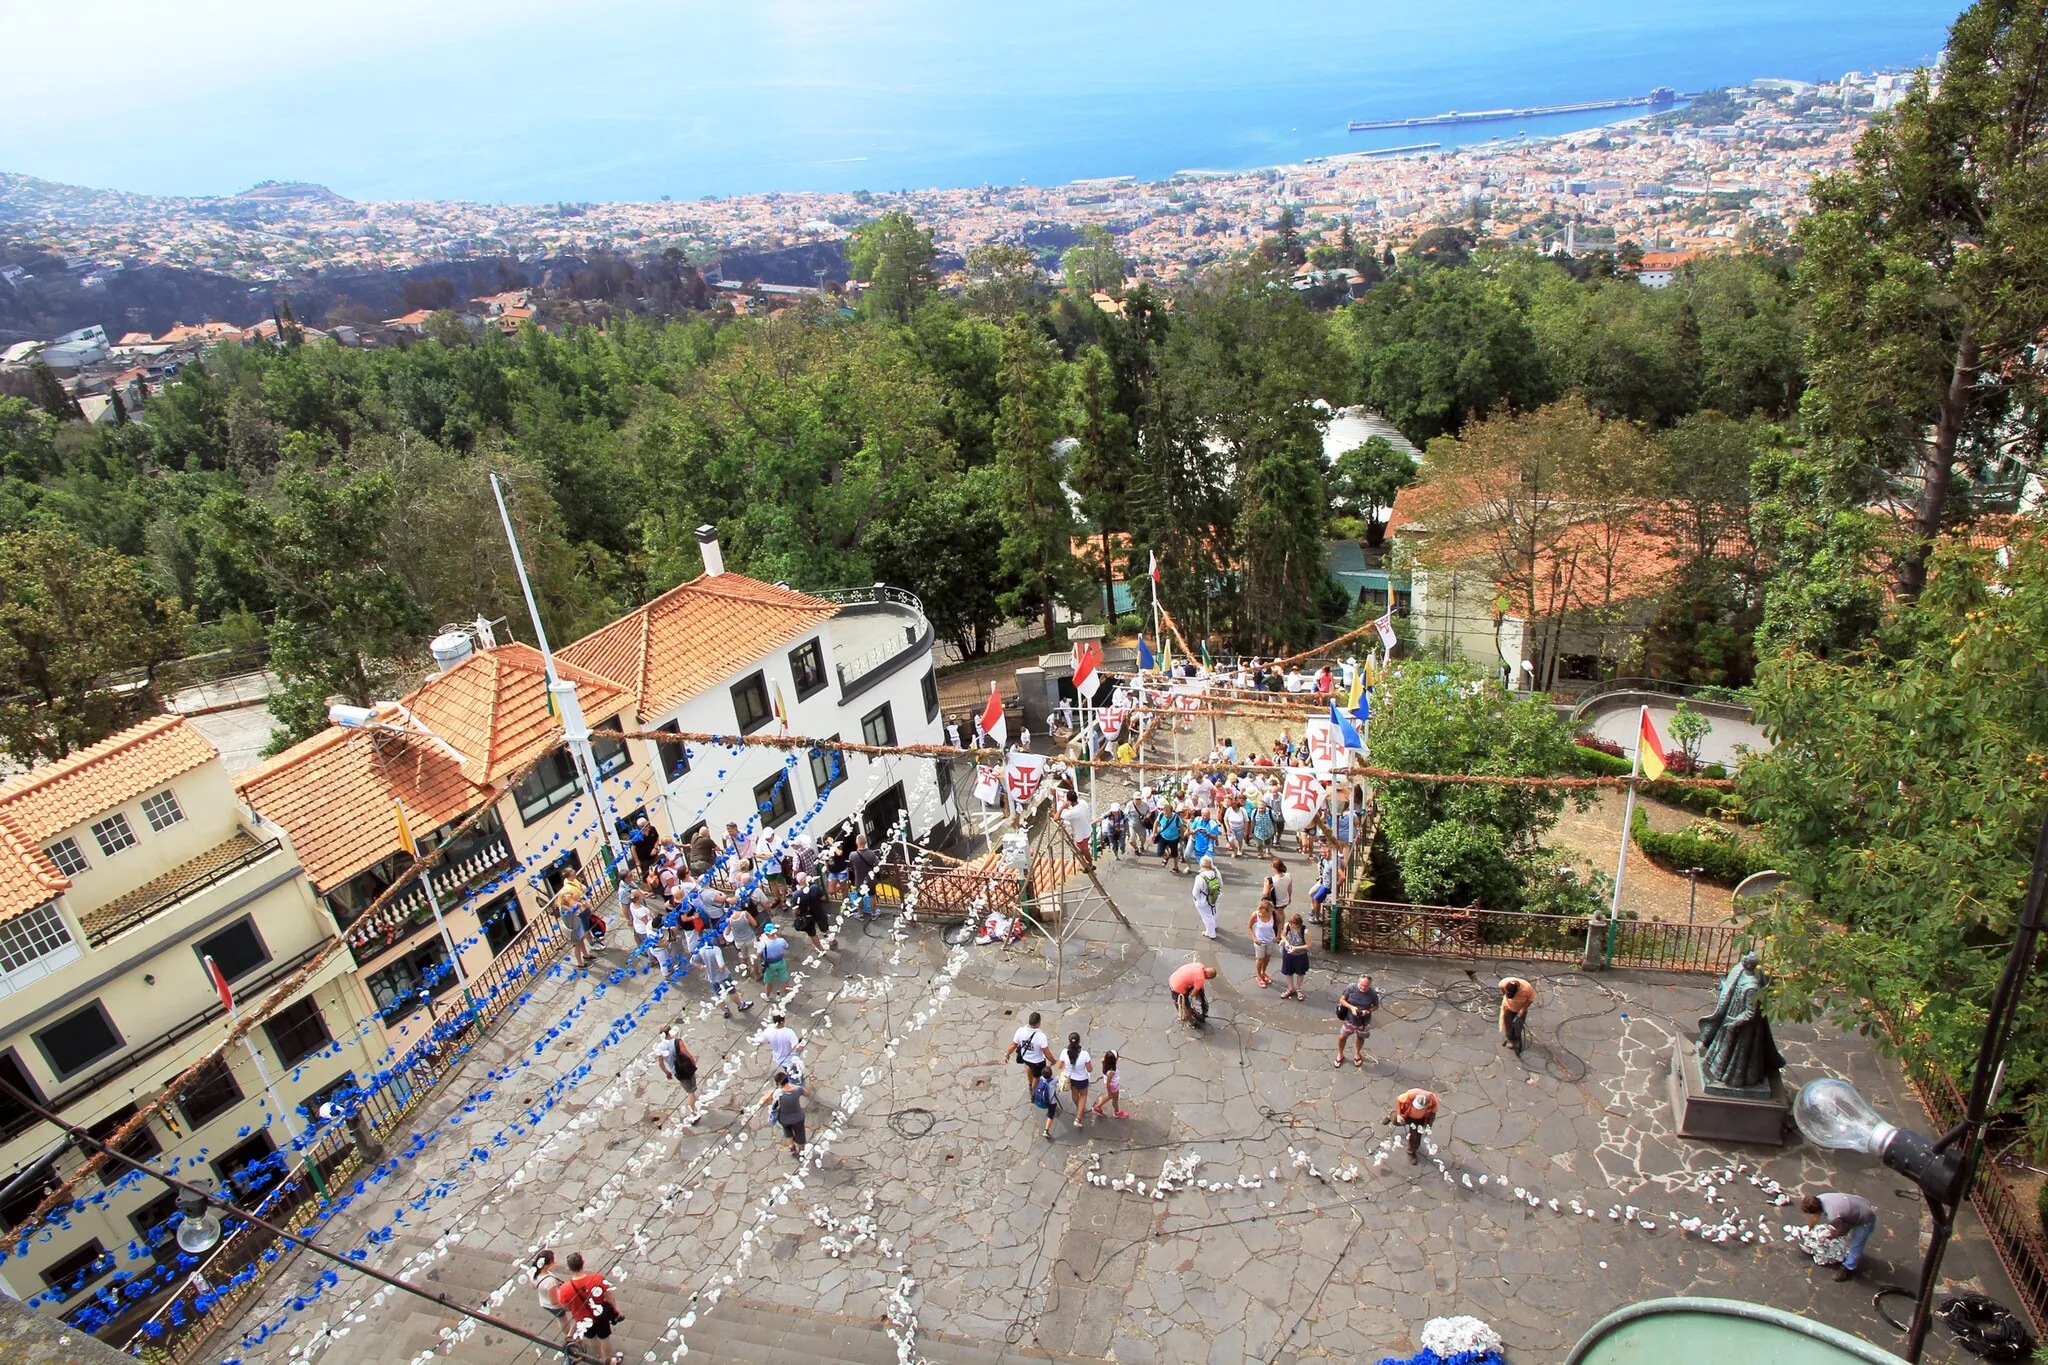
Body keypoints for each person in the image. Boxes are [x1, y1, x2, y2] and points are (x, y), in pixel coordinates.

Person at [554, 1252, 624, 1364]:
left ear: (569, 1268)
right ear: (583, 1263)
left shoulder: (564, 1289)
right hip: (600, 1315)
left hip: (582, 1320)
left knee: (592, 1338)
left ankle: (600, 1358)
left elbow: (565, 1308)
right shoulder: (597, 1278)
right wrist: (616, 1309)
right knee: (605, 1338)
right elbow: (609, 1296)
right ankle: (609, 1360)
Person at [1802, 1192, 1877, 1282]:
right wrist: (1808, 1228)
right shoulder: (1819, 1198)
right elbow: (1815, 1217)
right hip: (1858, 1203)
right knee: (1845, 1226)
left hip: (1865, 1219)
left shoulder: (1833, 1216)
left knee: (1856, 1245)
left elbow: (1843, 1231)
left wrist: (1831, 1235)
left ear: (1817, 1210)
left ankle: (1849, 1267)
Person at [693, 938, 751, 1018]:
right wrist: (720, 967)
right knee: (732, 991)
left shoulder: (701, 950)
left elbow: (693, 961)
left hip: (711, 977)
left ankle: (725, 1011)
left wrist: (704, 967)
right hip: (723, 976)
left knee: (717, 995)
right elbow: (721, 965)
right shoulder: (716, 950)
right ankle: (741, 1005)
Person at [654, 1026, 700, 1122]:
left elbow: (661, 1063)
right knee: (690, 1091)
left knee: (689, 1089)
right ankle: (693, 1113)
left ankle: (693, 1104)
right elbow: (688, 1054)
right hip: (686, 1069)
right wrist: (693, 1064)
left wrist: (667, 1072)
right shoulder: (677, 1042)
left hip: (676, 1072)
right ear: (670, 1032)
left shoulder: (659, 1047)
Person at [1384, 1087, 1439, 1164]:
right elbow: (1399, 1100)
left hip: (1419, 1120)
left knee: (1415, 1139)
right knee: (1395, 1120)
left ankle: (1411, 1152)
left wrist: (1428, 1127)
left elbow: (1433, 1114)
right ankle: (1390, 1116)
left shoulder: (1433, 1102)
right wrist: (1399, 1114)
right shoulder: (1411, 1094)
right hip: (1406, 1114)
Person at [1005, 1011, 1052, 1101]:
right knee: (1036, 1077)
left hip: (1025, 1057)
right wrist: (1053, 1061)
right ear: (1039, 1023)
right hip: (1037, 1061)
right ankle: (1033, 1093)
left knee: (1028, 1067)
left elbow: (1013, 1045)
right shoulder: (1041, 1036)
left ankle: (1030, 1085)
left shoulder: (1020, 1031)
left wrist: (1007, 1054)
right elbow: (1046, 1052)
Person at [1336, 974, 1380, 1067]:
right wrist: (1351, 1007)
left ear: (1370, 985)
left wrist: (1368, 1011)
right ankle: (1340, 1054)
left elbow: (1376, 1006)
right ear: (1358, 983)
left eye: (1366, 986)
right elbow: (1342, 1000)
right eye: (1361, 985)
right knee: (1342, 1037)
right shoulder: (1351, 988)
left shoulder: (1372, 994)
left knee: (1360, 1037)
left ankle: (1357, 1053)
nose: (1363, 988)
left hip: (1363, 1021)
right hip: (1350, 1019)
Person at [764, 1070, 808, 1159]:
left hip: (783, 1119)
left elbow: (766, 1100)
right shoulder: (797, 1089)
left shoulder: (778, 1093)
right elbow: (806, 1093)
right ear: (788, 1079)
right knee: (800, 1133)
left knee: (787, 1130)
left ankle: (792, 1148)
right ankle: (801, 1149)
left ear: (779, 1084)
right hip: (798, 1118)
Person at [1060, 1033, 1093, 1129]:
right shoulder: (1084, 1054)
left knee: (1074, 1093)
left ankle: (1079, 1108)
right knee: (1083, 1095)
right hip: (1082, 1079)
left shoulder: (1064, 1052)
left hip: (1070, 1079)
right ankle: (1078, 1118)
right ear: (1079, 1041)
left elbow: (1059, 1066)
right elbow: (1090, 1069)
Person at [845, 835, 881, 921]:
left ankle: (861, 914)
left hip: (859, 880)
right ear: (865, 843)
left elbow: (850, 864)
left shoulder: (852, 855)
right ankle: (873, 914)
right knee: (872, 896)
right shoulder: (871, 854)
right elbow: (876, 866)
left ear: (857, 843)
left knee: (859, 896)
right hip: (870, 880)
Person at [531, 1248, 568, 1332]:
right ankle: (569, 1336)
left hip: (543, 1301)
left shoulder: (533, 1272)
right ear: (546, 1265)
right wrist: (566, 1302)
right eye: (552, 1261)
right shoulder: (549, 1281)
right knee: (563, 1320)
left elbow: (533, 1286)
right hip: (554, 1306)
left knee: (560, 1319)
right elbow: (554, 1301)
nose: (554, 1263)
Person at [759, 1012, 802, 1082]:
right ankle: (796, 1083)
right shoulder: (789, 1032)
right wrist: (802, 1044)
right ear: (784, 1019)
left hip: (779, 1057)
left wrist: (770, 1041)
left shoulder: (768, 1031)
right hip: (790, 1059)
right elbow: (797, 1048)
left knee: (787, 1069)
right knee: (794, 1074)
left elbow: (760, 1042)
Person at [1499, 977, 1537, 1055]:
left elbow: (1531, 999)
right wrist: (1505, 996)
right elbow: (1501, 988)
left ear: (1518, 990)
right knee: (1508, 1025)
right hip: (1507, 1007)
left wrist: (1523, 1009)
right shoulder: (1503, 983)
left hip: (1520, 1009)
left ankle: (1516, 1040)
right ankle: (1509, 1039)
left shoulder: (1527, 988)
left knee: (1518, 1027)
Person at [1248, 899, 1280, 988]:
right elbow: (1249, 927)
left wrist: (1277, 936)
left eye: (1263, 913)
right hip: (1260, 941)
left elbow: (1279, 924)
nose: (1261, 914)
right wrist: (1254, 938)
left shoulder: (1273, 914)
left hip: (1270, 940)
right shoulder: (1255, 915)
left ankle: (1263, 972)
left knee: (1267, 957)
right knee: (1260, 959)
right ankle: (1259, 976)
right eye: (1260, 912)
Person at [1278, 912, 1310, 999]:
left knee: (1300, 972)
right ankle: (1290, 988)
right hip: (1288, 953)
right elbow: (1283, 935)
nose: (1291, 925)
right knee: (1288, 971)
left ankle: (1298, 989)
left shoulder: (1304, 931)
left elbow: (1308, 945)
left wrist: (1296, 948)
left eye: (1293, 924)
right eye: (1290, 923)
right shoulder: (1287, 926)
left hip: (1300, 955)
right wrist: (1287, 942)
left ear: (1298, 924)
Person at [757, 922, 791, 998]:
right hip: (781, 962)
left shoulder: (764, 943)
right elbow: (787, 946)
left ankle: (767, 996)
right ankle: (788, 996)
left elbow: (758, 954)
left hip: (770, 965)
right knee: (785, 980)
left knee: (768, 982)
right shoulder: (781, 940)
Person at [1192, 856, 1222, 939]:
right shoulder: (1216, 872)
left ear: (1201, 865)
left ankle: (1211, 933)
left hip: (1204, 900)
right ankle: (1214, 925)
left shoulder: (1200, 877)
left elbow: (1195, 892)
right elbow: (1221, 884)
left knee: (1207, 916)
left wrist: (1196, 899)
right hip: (1215, 896)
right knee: (1214, 911)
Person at [1091, 1050, 1127, 1119]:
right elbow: (1108, 1083)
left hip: (1111, 1085)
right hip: (1113, 1086)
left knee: (1110, 1096)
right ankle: (1117, 1112)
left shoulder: (1105, 1062)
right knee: (1114, 1098)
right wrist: (1109, 1090)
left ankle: (1097, 1107)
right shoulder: (1112, 1071)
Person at [1032, 1065, 1060, 1139]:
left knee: (1051, 1108)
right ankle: (1046, 1130)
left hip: (1040, 1101)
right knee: (1051, 1115)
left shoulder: (1041, 1078)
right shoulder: (1054, 1081)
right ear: (1051, 1074)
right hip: (1051, 1102)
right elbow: (1060, 1077)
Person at [1155, 804, 1185, 871]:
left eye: (1168, 813)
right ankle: (1166, 856)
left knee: (1174, 854)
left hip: (1173, 838)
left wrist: (1181, 836)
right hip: (1163, 836)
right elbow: (1156, 822)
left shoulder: (1176, 818)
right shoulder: (1161, 815)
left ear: (1171, 812)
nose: (1166, 815)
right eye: (1165, 813)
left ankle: (1175, 867)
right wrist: (1154, 832)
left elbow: (1181, 826)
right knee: (1159, 852)